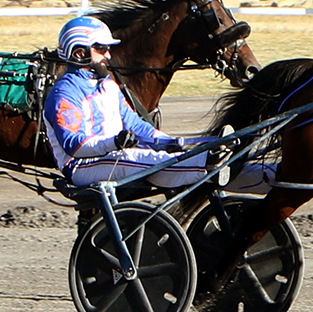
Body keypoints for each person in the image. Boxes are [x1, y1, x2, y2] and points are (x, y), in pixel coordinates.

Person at [43, 16, 231, 189]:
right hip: (83, 165)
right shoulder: (64, 93)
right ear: (78, 53)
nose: (108, 55)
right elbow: (74, 145)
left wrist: (166, 141)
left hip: (112, 157)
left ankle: (246, 170)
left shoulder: (109, 85)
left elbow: (134, 124)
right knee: (134, 157)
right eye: (101, 48)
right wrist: (114, 142)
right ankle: (207, 164)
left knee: (161, 156)